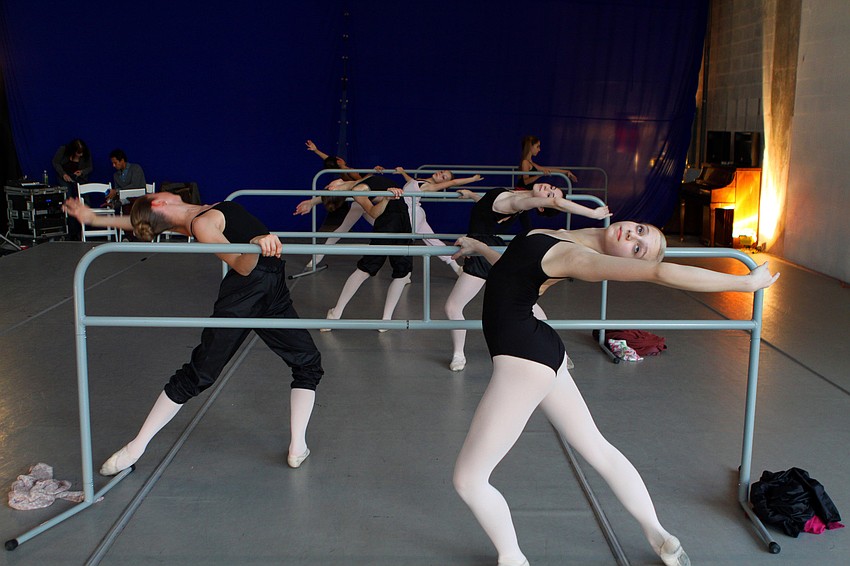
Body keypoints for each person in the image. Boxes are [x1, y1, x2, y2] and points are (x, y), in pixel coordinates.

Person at [450, 224, 779, 566]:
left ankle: (513, 558)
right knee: (597, 448)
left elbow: (660, 272)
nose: (631, 237)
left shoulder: (578, 257)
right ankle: (660, 535)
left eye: (638, 249)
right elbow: (514, 268)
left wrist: (745, 283)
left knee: (469, 480)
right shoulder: (563, 236)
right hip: (538, 348)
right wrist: (481, 247)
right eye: (640, 230)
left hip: (524, 361)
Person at [62, 192, 324, 473]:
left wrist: (93, 218)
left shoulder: (190, 218)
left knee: (307, 361)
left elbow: (145, 220)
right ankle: (135, 448)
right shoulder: (200, 224)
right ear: (158, 202)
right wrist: (254, 244)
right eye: (156, 193)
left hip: (272, 288)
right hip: (247, 291)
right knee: (200, 373)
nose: (163, 190)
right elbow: (241, 264)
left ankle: (298, 447)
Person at [444, 184, 611, 371]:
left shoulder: (519, 202)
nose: (548, 190)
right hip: (490, 248)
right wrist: (472, 194)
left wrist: (594, 214)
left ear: (541, 205)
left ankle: (459, 354)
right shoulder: (517, 198)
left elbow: (555, 202)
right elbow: (487, 207)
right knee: (527, 304)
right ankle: (561, 353)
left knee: (453, 306)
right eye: (551, 188)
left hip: (480, 252)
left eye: (549, 195)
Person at [320, 174, 415, 331]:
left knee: (403, 273)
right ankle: (336, 313)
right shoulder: (358, 190)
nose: (332, 180)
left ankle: (386, 320)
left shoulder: (356, 182)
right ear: (333, 188)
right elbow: (373, 212)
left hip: (403, 220)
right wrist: (386, 198)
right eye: (329, 185)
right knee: (366, 268)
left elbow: (345, 186)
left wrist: (310, 202)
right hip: (387, 224)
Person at [392, 166, 484, 276]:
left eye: (443, 177)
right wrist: (402, 172)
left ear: (443, 182)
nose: (440, 174)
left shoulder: (430, 186)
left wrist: (472, 179)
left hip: (411, 215)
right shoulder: (422, 180)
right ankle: (456, 268)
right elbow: (410, 181)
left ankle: (404, 274)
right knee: (433, 241)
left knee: (404, 241)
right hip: (415, 213)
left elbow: (453, 182)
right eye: (441, 172)